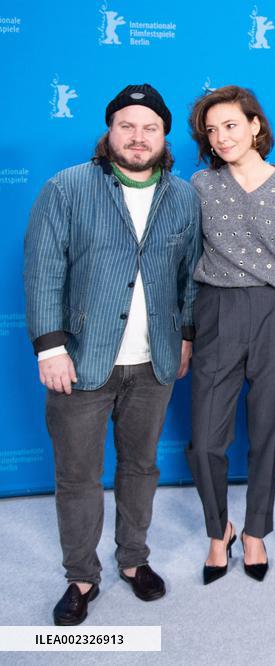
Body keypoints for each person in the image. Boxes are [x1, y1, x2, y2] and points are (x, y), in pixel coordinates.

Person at [23, 83, 200, 625]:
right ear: (110, 131)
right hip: (80, 361)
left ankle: (133, 560)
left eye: (150, 127)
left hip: (155, 363)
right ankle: (81, 575)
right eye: (127, 125)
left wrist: (187, 335)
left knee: (141, 468)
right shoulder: (67, 188)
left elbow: (190, 275)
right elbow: (43, 270)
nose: (138, 137)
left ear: (164, 135)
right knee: (77, 475)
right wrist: (49, 347)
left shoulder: (183, 196)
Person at [185, 85, 275, 584]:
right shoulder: (199, 186)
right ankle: (220, 530)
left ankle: (257, 531)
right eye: (212, 130)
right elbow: (183, 261)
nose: (221, 137)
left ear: (256, 126)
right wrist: (187, 330)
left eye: (231, 125)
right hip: (217, 309)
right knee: (204, 442)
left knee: (267, 432)